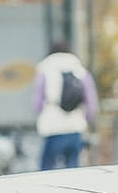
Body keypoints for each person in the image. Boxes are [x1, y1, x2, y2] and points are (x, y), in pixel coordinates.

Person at [32, 42, 98, 170]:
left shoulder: (45, 69)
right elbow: (91, 102)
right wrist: (86, 119)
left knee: (46, 170)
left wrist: (42, 116)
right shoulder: (80, 70)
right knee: (73, 170)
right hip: (75, 128)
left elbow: (37, 102)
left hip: (52, 128)